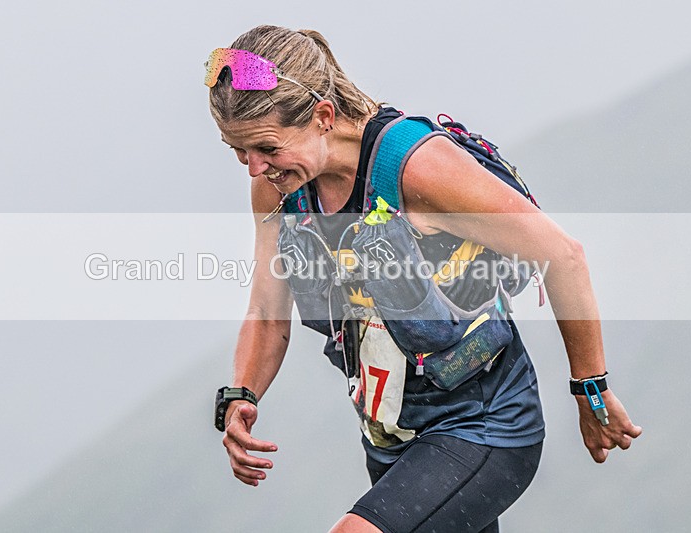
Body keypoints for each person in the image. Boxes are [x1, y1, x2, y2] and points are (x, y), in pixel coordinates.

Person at [206, 25, 642, 533]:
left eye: (265, 147)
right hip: (391, 441)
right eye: (237, 150)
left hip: (482, 427)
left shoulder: (417, 167)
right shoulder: (279, 187)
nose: (255, 167)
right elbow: (265, 310)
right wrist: (241, 393)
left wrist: (590, 389)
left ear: (323, 117)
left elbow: (564, 257)